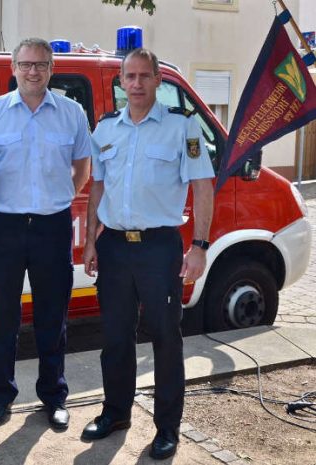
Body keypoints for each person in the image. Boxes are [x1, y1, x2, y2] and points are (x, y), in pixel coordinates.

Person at [80, 48, 214, 460]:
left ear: (158, 80)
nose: (136, 84)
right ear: (120, 82)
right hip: (115, 247)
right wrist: (90, 241)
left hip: (159, 248)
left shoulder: (183, 128)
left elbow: (203, 187)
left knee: (165, 338)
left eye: (143, 76)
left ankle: (167, 427)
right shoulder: (105, 130)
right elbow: (97, 188)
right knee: (116, 336)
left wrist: (199, 246)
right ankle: (115, 412)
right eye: (129, 77)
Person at [0, 37, 91, 430]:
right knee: (3, 316)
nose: (33, 71)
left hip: (51, 226)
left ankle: (54, 395)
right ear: (14, 68)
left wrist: (60, 197)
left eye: (40, 64)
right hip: (4, 226)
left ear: (52, 69)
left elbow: (82, 167)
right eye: (25, 64)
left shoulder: (72, 114)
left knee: (51, 315)